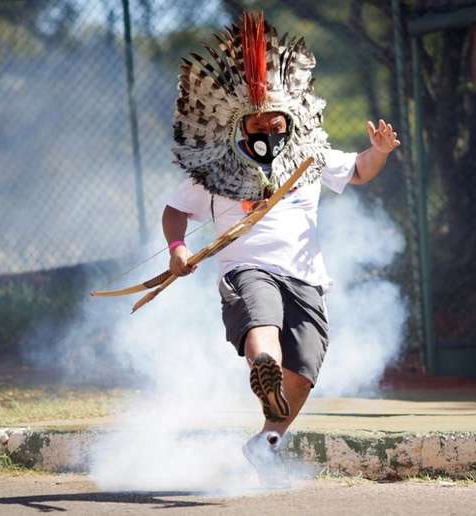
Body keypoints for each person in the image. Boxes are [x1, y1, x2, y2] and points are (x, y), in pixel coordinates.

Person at [162, 11, 400, 487]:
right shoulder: (215, 169)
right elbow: (175, 210)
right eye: (258, 122)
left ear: (289, 118)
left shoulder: (310, 156)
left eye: (276, 120)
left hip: (307, 276)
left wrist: (380, 152)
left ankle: (268, 440)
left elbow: (357, 170)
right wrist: (177, 249)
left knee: (307, 368)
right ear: (241, 123)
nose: (268, 129)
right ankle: (263, 367)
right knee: (262, 321)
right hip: (247, 268)